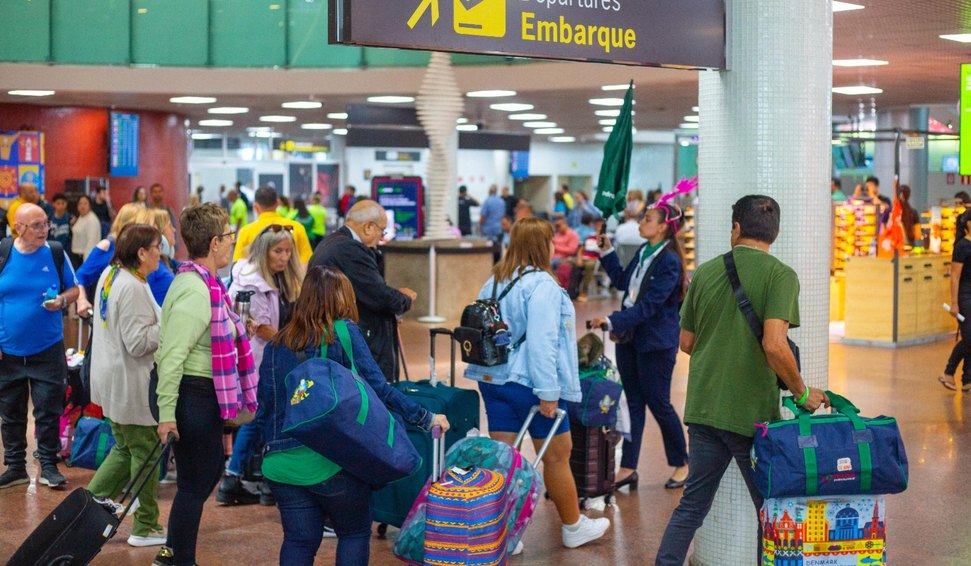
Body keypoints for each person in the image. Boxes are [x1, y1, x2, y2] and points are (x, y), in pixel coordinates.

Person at [655, 195, 829, 566]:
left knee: (692, 506)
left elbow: (686, 342)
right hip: (751, 416)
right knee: (771, 510)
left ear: (736, 228)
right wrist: (802, 393)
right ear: (775, 233)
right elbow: (775, 344)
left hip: (704, 407)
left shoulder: (705, 272)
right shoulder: (780, 275)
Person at [259, 266, 449, 565]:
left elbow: (266, 408)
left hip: (280, 464)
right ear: (342, 298)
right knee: (354, 533)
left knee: (298, 541)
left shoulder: (276, 344)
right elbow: (379, 388)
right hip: (332, 461)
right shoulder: (343, 332)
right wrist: (425, 417)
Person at [464, 217, 610, 550]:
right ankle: (573, 526)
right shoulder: (542, 285)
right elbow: (543, 343)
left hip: (493, 378)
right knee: (558, 456)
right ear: (543, 245)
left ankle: (503, 534)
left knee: (504, 458)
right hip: (528, 384)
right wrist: (548, 393)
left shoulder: (494, 281)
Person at [152, 203, 257, 566]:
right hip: (190, 395)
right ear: (214, 243)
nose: (231, 242)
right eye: (229, 236)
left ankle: (173, 555)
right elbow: (171, 356)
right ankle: (178, 559)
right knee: (197, 482)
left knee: (202, 476)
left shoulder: (204, 284)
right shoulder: (196, 291)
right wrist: (167, 414)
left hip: (198, 393)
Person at [590, 203, 690, 491]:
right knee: (633, 402)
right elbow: (624, 281)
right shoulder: (645, 251)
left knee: (659, 403)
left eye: (647, 219)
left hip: (655, 343)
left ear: (662, 227)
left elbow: (649, 306)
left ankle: (682, 462)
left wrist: (612, 321)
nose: (640, 222)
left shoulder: (669, 261)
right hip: (631, 339)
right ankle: (628, 467)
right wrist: (607, 252)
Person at [87, 224, 166, 547]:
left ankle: (86, 509)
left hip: (113, 379)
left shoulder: (112, 274)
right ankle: (145, 526)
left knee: (124, 448)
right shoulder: (131, 286)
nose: (161, 253)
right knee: (146, 451)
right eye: (157, 247)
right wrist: (171, 322)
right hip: (130, 384)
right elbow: (137, 342)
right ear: (141, 252)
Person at [219, 223, 303, 506]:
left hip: (274, 359)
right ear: (264, 251)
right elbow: (263, 328)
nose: (284, 257)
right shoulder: (252, 283)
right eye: (278, 251)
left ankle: (247, 478)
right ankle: (243, 477)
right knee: (260, 418)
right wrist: (295, 344)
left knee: (262, 418)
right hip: (259, 360)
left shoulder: (277, 279)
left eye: (288, 251)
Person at [0, 203, 80, 489]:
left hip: (47, 348)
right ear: (18, 228)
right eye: (37, 225)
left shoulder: (55, 253)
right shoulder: (3, 253)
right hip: (8, 351)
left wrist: (62, 300)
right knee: (10, 413)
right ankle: (15, 467)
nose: (44, 229)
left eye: (46, 223)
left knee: (48, 411)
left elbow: (74, 289)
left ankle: (48, 465)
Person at [309, 200, 415, 382]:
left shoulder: (332, 242)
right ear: (368, 227)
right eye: (382, 231)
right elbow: (378, 295)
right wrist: (405, 299)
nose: (381, 238)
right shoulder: (350, 249)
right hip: (347, 339)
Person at [74, 203, 143, 316]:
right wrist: (81, 299)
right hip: (110, 313)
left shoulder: (143, 249)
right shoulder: (107, 246)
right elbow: (79, 277)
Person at [233, 187, 313, 265]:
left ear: (255, 207)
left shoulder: (246, 232)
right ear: (277, 203)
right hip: (292, 273)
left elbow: (237, 265)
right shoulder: (296, 227)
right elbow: (306, 261)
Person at [939, 209, 971, 391]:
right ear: (969, 223)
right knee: (970, 337)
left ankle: (967, 380)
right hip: (965, 296)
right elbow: (955, 277)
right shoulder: (962, 246)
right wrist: (954, 303)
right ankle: (948, 372)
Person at [135, 208, 180, 305]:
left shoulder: (162, 265)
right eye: (169, 226)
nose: (174, 229)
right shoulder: (155, 270)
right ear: (160, 235)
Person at [72, 194, 102, 262]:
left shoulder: (91, 220)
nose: (82, 206)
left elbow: (91, 244)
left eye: (85, 203)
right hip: (77, 257)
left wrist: (86, 264)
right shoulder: (81, 217)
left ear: (90, 206)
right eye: (80, 203)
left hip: (85, 258)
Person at [47, 193, 74, 260]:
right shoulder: (49, 219)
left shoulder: (70, 218)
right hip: (52, 250)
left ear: (66, 204)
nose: (61, 206)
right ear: (53, 204)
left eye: (63, 203)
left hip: (66, 252)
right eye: (58, 203)